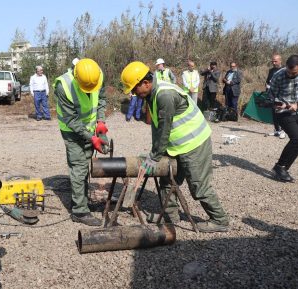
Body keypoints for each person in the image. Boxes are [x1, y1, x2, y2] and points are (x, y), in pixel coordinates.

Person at [120, 61, 230, 233]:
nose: (134, 93)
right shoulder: (153, 94)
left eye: (134, 89)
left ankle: (219, 219)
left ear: (146, 83)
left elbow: (164, 129)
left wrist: (155, 156)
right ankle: (170, 216)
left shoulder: (164, 95)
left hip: (194, 143)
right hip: (177, 146)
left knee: (198, 184)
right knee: (167, 180)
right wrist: (155, 153)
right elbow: (157, 127)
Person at [54, 58, 108, 226]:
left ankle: (80, 199)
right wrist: (91, 138)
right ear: (77, 77)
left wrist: (100, 122)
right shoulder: (64, 86)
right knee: (79, 167)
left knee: (85, 164)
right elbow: (71, 119)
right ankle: (79, 211)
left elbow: (101, 100)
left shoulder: (96, 75)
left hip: (90, 129)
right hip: (72, 131)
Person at [268, 54, 298, 182]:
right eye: (289, 72)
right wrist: (283, 104)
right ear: (286, 66)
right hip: (283, 112)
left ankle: (283, 169)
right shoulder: (278, 76)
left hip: (296, 109)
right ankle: (280, 166)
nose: (291, 75)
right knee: (296, 138)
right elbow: (271, 96)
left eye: (295, 73)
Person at [266, 54, 286, 139]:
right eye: (272, 61)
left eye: (275, 61)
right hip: (272, 94)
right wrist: (267, 86)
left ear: (280, 61)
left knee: (282, 113)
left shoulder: (285, 70)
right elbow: (268, 81)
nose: (274, 63)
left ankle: (283, 131)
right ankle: (277, 130)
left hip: (281, 95)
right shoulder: (271, 70)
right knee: (274, 113)